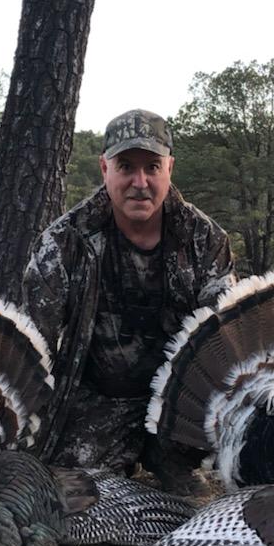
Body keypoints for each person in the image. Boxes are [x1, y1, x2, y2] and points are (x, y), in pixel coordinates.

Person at [23, 108, 235, 492]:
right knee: (79, 505)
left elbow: (224, 343)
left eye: (152, 167)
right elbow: (36, 346)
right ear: (105, 169)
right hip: (98, 403)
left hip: (180, 409)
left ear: (170, 168)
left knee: (197, 501)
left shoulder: (204, 238)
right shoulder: (64, 242)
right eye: (126, 167)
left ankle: (176, 464)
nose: (140, 182)